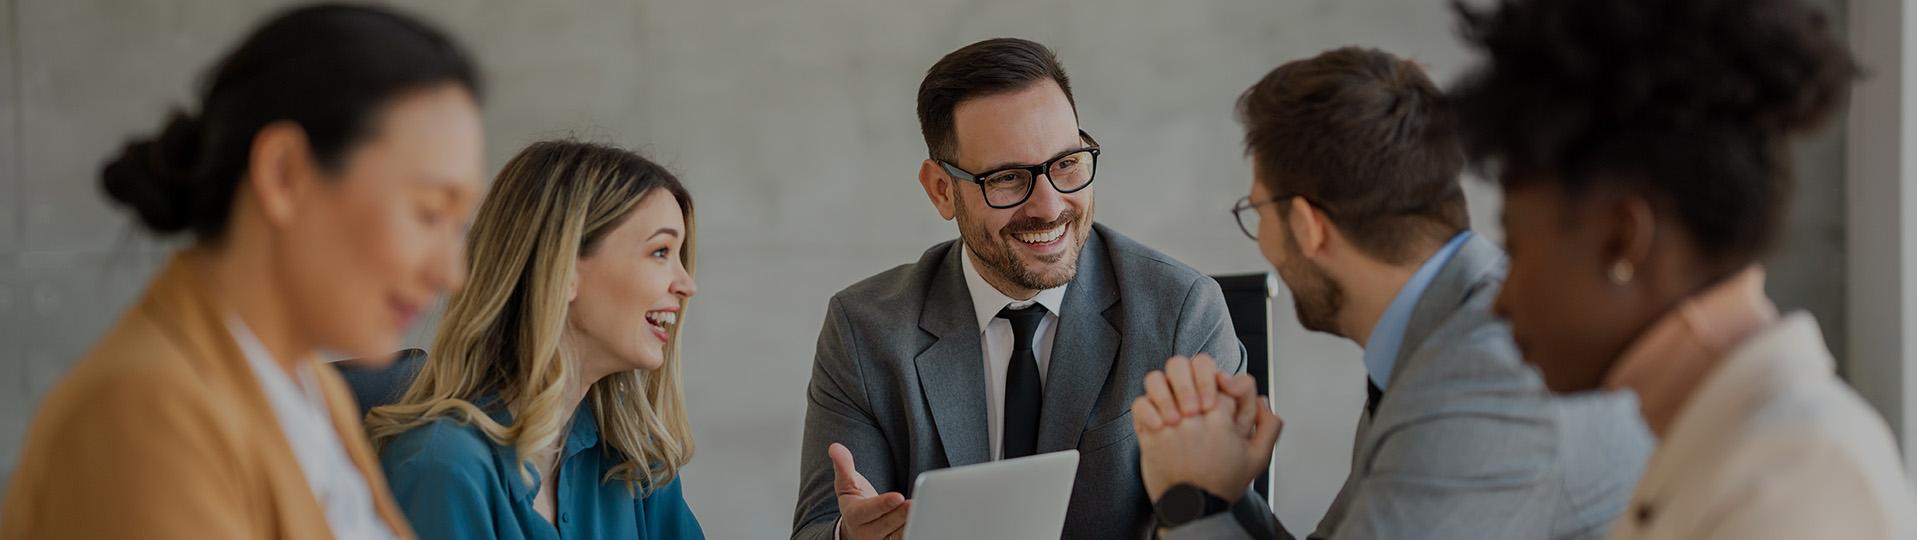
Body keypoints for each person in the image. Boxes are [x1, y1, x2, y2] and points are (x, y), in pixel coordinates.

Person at [0, 4, 485, 538]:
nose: (451, 272)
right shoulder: (146, 416)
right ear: (284, 174)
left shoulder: (308, 385)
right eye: (428, 213)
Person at [1136, 47, 1652, 540]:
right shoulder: (1440, 331)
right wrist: (1216, 489)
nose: (1263, 241)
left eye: (1258, 213)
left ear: (1307, 225)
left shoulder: (1476, 383)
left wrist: (1189, 502)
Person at [1448, 0, 1916, 537]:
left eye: (1517, 244)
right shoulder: (1725, 437)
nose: (1501, 299)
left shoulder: (1796, 473)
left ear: (1624, 239)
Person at [790, 38, 1249, 540]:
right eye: (1008, 178)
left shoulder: (1181, 312)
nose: (1050, 207)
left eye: (1067, 163)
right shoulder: (865, 329)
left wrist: (1193, 505)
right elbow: (818, 529)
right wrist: (852, 537)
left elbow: (1230, 526)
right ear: (942, 190)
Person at [365, 141, 704, 540]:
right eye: (661, 251)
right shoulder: (442, 469)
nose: (686, 285)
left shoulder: (633, 463)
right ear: (563, 270)